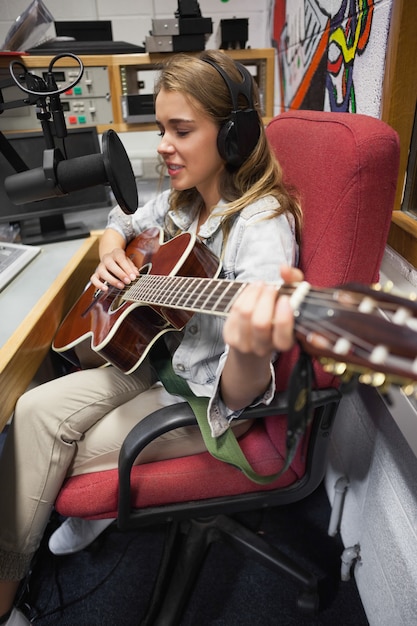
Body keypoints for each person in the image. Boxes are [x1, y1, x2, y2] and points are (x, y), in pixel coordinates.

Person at [0, 49, 303, 625]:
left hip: (198, 400)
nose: (163, 144)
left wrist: (249, 344)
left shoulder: (262, 225)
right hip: (153, 360)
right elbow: (119, 223)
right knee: (32, 411)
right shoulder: (182, 199)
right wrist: (114, 256)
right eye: (161, 128)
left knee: (35, 451)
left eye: (181, 130)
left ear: (234, 136)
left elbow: (239, 397)